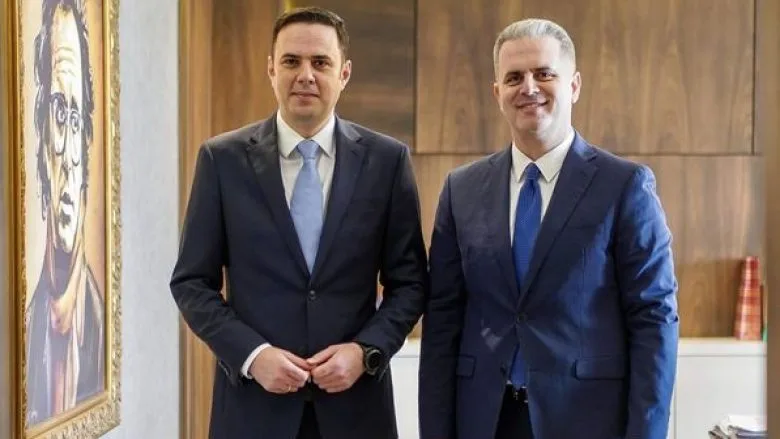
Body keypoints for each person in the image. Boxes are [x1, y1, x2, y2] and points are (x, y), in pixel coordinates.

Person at [170, 6, 427, 439]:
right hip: (253, 412)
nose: (305, 75)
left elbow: (411, 283)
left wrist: (364, 352)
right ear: (271, 69)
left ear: (344, 73)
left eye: (320, 62)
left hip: (357, 411)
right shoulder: (222, 160)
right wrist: (252, 355)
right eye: (291, 61)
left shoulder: (387, 162)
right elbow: (191, 283)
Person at [418, 18, 679, 439]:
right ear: (497, 93)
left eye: (544, 74)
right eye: (514, 78)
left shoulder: (624, 186)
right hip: (484, 420)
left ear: (573, 85)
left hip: (587, 421)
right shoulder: (460, 190)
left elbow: (654, 318)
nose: (529, 88)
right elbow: (443, 322)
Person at [25, 0, 104, 426]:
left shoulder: (98, 326)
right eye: (58, 113)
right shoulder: (28, 326)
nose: (69, 155)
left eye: (76, 120)